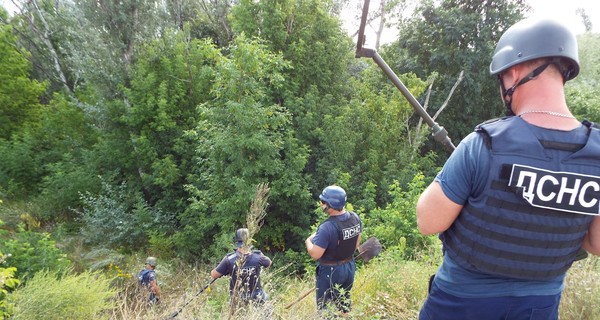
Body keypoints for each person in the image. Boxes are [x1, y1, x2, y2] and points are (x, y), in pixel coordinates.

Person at [416, 17, 600, 320]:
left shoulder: (482, 144)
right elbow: (596, 244)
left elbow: (428, 221)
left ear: (513, 72)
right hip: (538, 306)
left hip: (460, 302)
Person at [305, 185, 362, 316]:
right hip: (349, 267)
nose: (321, 204)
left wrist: (308, 241)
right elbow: (356, 244)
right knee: (343, 303)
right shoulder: (355, 218)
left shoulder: (327, 227)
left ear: (330, 204)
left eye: (323, 201)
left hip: (330, 272)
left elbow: (315, 254)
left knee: (325, 310)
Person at [211, 228, 272, 306]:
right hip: (257, 297)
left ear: (236, 242)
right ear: (249, 240)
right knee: (267, 304)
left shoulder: (229, 259)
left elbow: (214, 275)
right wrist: (259, 254)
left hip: (238, 299)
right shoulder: (258, 257)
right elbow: (269, 262)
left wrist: (223, 265)